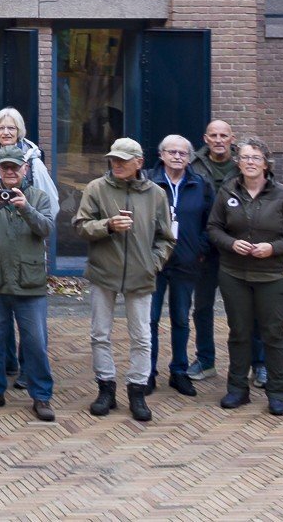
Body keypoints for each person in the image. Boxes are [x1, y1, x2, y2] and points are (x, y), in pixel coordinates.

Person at [74, 137, 174, 421]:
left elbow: (166, 238)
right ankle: (105, 388)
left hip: (140, 276)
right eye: (113, 160)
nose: (116, 164)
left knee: (142, 336)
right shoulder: (96, 188)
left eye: (122, 160)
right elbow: (80, 227)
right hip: (103, 272)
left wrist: (152, 264)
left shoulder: (156, 194)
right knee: (99, 334)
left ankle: (137, 391)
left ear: (138, 163)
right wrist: (107, 225)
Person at [207, 137, 283, 416]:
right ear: (237, 162)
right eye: (244, 157)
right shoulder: (227, 190)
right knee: (239, 332)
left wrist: (274, 247)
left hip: (274, 276)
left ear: (266, 163)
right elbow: (214, 228)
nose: (250, 162)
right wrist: (230, 243)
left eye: (256, 158)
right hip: (234, 274)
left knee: (273, 334)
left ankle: (277, 392)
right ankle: (237, 389)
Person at [0, 148, 57, 421]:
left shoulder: (38, 197)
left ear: (25, 169)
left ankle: (41, 396)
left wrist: (26, 208)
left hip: (29, 283)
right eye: (5, 168)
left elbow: (46, 229)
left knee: (35, 343)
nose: (10, 172)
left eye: (15, 168)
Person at [145, 134, 215, 398]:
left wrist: (201, 248)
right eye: (172, 152)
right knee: (150, 319)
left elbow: (211, 221)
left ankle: (179, 371)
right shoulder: (148, 183)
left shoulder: (200, 184)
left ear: (190, 157)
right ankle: (148, 373)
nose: (177, 157)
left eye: (183, 153)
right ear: (161, 155)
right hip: (153, 263)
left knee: (181, 319)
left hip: (186, 262)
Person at [188, 118, 241, 384]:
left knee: (244, 308)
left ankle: (257, 363)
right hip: (205, 249)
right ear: (205, 138)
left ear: (232, 138)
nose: (219, 140)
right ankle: (206, 360)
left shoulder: (246, 164)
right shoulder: (192, 165)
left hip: (238, 249)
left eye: (224, 135)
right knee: (203, 307)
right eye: (213, 135)